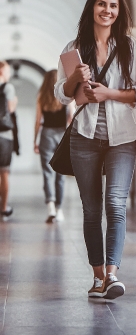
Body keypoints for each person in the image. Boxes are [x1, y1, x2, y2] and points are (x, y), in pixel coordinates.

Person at [54, 0, 136, 300]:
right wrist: (74, 78)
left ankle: (112, 275)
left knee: (115, 204)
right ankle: (97, 277)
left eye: (113, 6)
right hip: (85, 136)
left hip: (122, 137)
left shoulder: (131, 48)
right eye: (101, 4)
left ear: (119, 13)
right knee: (92, 209)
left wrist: (109, 93)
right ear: (92, 8)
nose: (107, 10)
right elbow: (61, 96)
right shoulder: (74, 47)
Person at [34, 69, 73, 223]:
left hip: (46, 136)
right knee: (60, 174)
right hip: (62, 136)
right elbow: (72, 117)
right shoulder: (65, 97)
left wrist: (34, 141)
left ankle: (50, 204)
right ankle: (59, 209)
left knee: (47, 172)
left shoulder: (41, 97)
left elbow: (38, 121)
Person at [0, 61, 18, 219]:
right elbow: (11, 109)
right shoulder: (8, 87)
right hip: (4, 135)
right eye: (7, 71)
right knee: (4, 172)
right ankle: (4, 208)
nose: (9, 74)